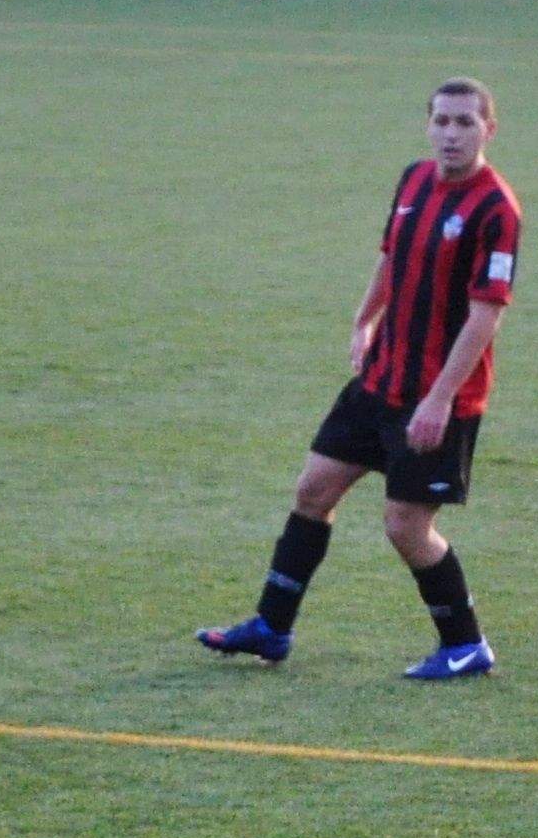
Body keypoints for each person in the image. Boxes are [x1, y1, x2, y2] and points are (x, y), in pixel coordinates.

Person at [200, 78, 520, 682]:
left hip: (435, 399)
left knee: (406, 526)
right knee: (313, 490)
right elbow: (390, 255)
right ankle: (272, 627)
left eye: (465, 123)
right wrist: (363, 319)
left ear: (488, 130)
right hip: (380, 382)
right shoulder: (413, 180)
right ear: (427, 125)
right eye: (442, 121)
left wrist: (439, 400)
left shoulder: (496, 210)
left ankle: (467, 644)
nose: (451, 134)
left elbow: (487, 313)